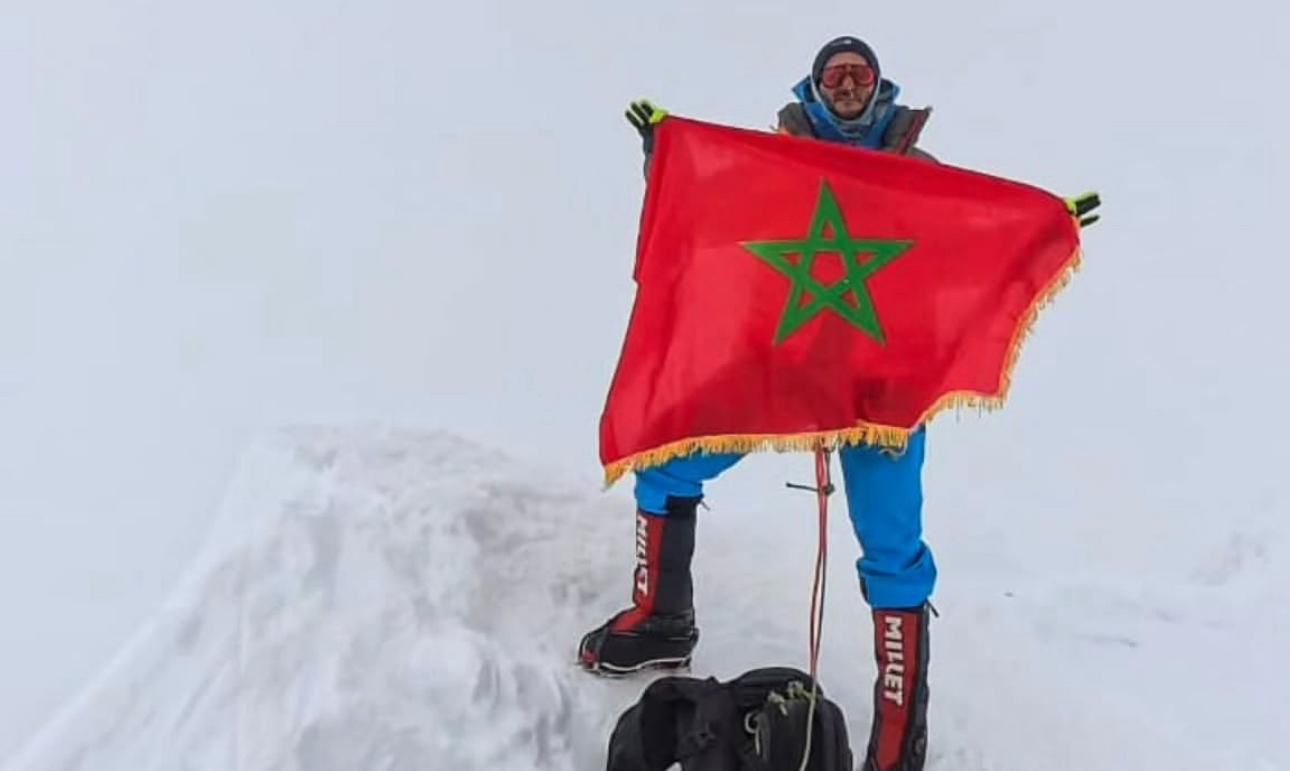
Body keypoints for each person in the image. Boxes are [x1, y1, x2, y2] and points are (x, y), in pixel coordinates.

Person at [581, 36, 948, 771]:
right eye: (835, 75)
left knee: (894, 554)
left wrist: (1043, 224)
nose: (847, 85)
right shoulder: (778, 163)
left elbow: (968, 244)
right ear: (815, 89)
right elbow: (718, 210)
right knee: (669, 459)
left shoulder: (922, 175)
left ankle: (900, 736)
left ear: (880, 88)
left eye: (860, 74)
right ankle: (663, 617)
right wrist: (669, 151)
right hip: (782, 373)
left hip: (881, 395)